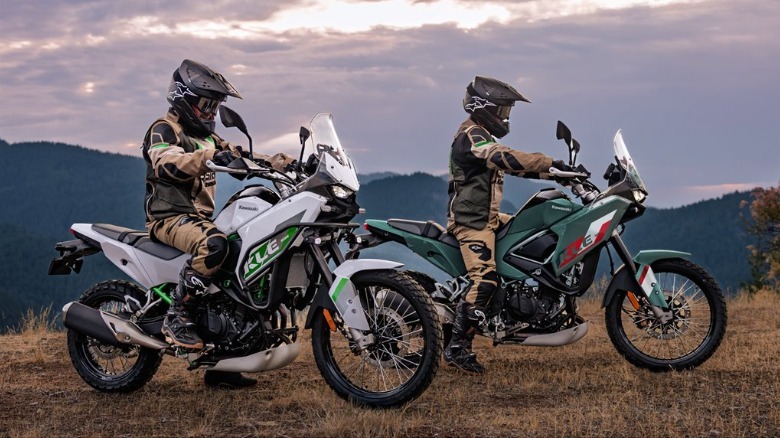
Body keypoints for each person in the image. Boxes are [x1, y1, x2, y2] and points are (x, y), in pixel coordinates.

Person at [142, 59, 295, 388]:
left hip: (199, 218)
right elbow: (165, 160)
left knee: (244, 247)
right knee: (215, 245)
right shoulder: (165, 129)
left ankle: (223, 363)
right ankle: (177, 316)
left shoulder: (209, 138)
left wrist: (286, 162)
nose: (211, 112)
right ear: (184, 99)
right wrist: (207, 159)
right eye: (206, 104)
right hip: (169, 218)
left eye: (215, 106)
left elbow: (245, 155)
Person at [445, 76, 572, 374]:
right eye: (503, 110)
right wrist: (547, 162)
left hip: (488, 217)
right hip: (471, 223)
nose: (506, 117)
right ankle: (457, 346)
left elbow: (512, 167)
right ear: (484, 108)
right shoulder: (472, 136)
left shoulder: (481, 134)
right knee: (485, 280)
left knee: (537, 231)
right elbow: (501, 157)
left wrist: (557, 173)